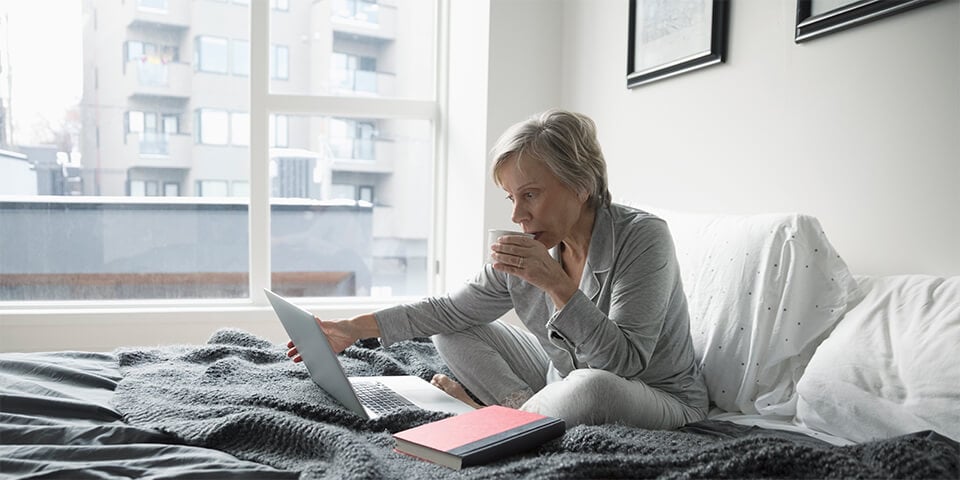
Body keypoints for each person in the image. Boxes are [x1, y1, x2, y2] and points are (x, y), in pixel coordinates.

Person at [287, 109, 708, 429]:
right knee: (451, 327)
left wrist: (556, 284)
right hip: (558, 381)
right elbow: (449, 311)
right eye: (511, 198)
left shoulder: (644, 238)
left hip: (657, 395)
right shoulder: (534, 244)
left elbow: (625, 364)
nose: (519, 215)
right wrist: (351, 328)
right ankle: (515, 418)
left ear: (582, 184)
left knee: (590, 386)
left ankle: (498, 423)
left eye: (530, 194)